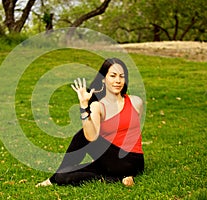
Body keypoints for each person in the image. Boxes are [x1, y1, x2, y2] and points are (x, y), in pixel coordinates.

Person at [36, 58, 144, 187]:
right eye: (113, 76)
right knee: (63, 176)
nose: (118, 81)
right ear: (103, 78)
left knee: (82, 135)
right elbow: (92, 136)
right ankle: (118, 179)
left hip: (132, 161)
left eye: (122, 76)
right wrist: (83, 106)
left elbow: (91, 138)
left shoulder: (136, 102)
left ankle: (51, 179)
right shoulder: (98, 106)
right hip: (110, 162)